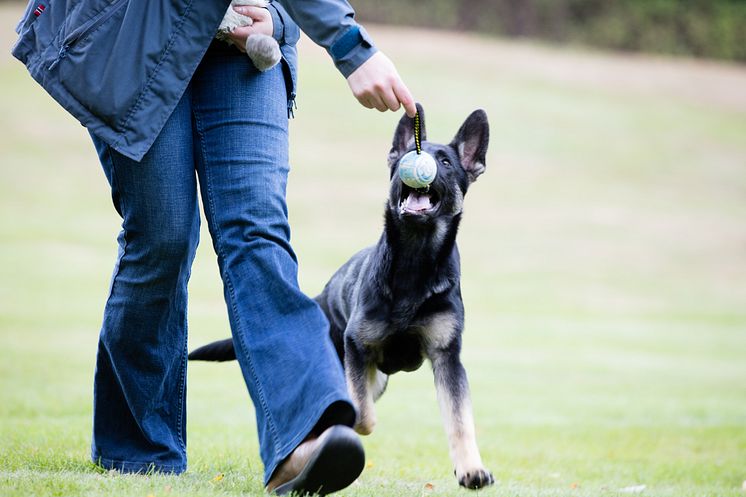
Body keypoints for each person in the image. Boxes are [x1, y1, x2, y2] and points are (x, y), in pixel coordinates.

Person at [12, 0, 415, 494]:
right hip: (135, 30)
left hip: (243, 45)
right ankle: (138, 449)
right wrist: (350, 45)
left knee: (257, 231)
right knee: (162, 239)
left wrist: (282, 20)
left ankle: (304, 436)